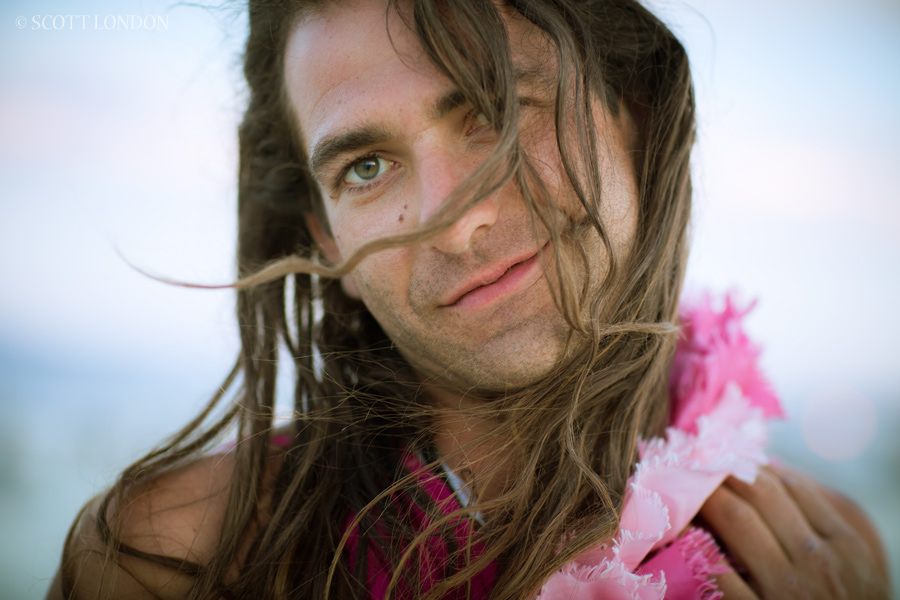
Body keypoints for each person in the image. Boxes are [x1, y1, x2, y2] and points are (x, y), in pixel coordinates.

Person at [49, 0, 890, 598]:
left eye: (492, 109)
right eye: (366, 167)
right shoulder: (171, 558)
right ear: (328, 239)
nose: (454, 221)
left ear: (631, 111)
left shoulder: (816, 559)